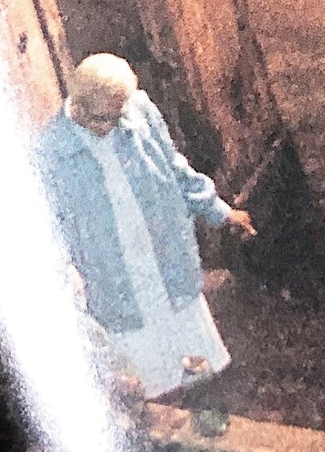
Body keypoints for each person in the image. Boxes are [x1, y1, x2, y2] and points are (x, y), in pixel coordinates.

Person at [38, 53, 256, 399]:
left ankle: (205, 406)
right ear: (77, 105)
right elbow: (49, 222)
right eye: (103, 118)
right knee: (151, 380)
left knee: (195, 360)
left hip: (164, 258)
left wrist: (218, 209)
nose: (113, 125)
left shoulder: (138, 111)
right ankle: (169, 412)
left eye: (118, 115)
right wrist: (64, 267)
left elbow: (174, 167)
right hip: (116, 275)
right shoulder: (52, 150)